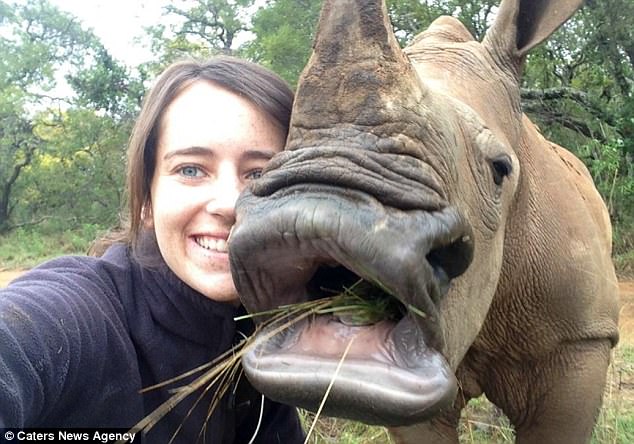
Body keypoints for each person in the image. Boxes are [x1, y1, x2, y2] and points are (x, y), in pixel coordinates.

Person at [0, 56, 305, 443]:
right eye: (191, 169)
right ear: (146, 199)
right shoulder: (81, 315)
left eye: (260, 174)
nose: (229, 203)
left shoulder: (270, 332)